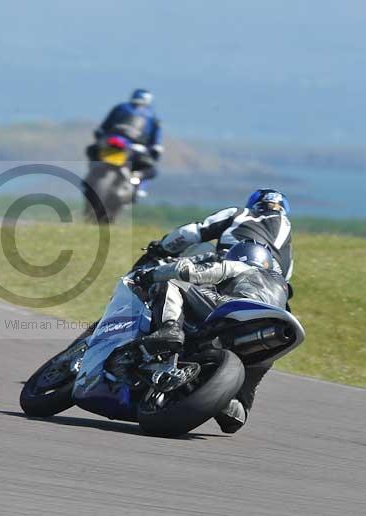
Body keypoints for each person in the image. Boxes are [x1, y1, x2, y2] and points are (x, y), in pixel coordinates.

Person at [134, 241, 290, 433]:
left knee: (172, 283)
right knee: (240, 408)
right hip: (269, 338)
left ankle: (170, 328)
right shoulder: (281, 289)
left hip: (235, 309)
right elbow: (235, 422)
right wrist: (216, 393)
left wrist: (149, 275)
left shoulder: (242, 266)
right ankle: (224, 398)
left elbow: (189, 272)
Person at [147, 188, 294, 281]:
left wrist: (162, 248)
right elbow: (286, 276)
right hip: (272, 285)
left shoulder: (239, 213)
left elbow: (192, 232)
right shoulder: (287, 228)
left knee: (200, 248)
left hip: (225, 269)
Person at [87, 89, 163, 189]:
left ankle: (92, 177)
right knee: (150, 169)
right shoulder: (151, 115)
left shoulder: (120, 108)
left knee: (93, 151)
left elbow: (103, 128)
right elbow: (155, 140)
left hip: (114, 143)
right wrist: (155, 149)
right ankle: (138, 183)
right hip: (129, 148)